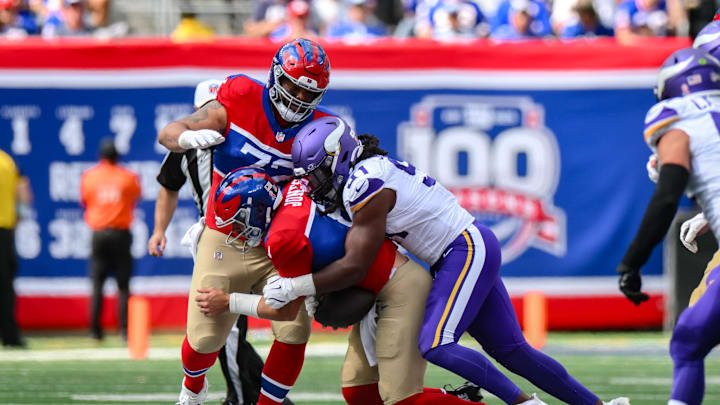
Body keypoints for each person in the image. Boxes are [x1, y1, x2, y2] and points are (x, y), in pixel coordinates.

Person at [264, 116, 631, 405]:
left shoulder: (366, 184)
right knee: (512, 350)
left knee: (437, 343)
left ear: (338, 157)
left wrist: (298, 286)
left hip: (463, 249)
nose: (313, 185)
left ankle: (523, 403)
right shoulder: (367, 172)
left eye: (316, 174)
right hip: (460, 250)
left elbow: (357, 265)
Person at [198, 170, 485, 405]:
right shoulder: (295, 189)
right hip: (381, 282)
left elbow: (284, 311)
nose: (236, 232)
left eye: (239, 223)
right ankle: (460, 399)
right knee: (359, 392)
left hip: (400, 287)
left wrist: (228, 302)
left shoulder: (282, 239)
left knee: (401, 399)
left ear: (259, 211)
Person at [157, 38, 335, 405]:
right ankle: (193, 387)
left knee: (294, 330)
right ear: (275, 76)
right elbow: (169, 133)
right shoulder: (239, 97)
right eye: (290, 84)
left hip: (278, 244)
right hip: (227, 235)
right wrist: (187, 136)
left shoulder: (321, 129)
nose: (297, 97)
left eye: (306, 91)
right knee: (205, 339)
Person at [149, 79, 277, 405]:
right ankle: (242, 392)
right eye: (208, 111)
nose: (215, 117)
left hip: (260, 238)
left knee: (264, 319)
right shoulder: (189, 141)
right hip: (216, 239)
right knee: (224, 325)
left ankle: (248, 393)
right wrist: (158, 230)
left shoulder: (251, 137)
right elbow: (168, 185)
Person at [616, 47, 720, 405]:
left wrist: (632, 261)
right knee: (689, 336)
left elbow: (666, 198)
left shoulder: (678, 119)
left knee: (689, 342)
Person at [80, 138, 141, 341]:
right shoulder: (128, 176)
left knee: (97, 284)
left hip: (98, 234)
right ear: (117, 156)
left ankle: (94, 332)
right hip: (120, 233)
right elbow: (134, 197)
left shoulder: (89, 176)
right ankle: (124, 331)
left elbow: (85, 200)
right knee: (123, 285)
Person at [0, 148, 31, 348]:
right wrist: (18, 217)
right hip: (4, 230)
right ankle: (10, 335)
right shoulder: (7, 162)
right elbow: (24, 191)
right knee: (4, 286)